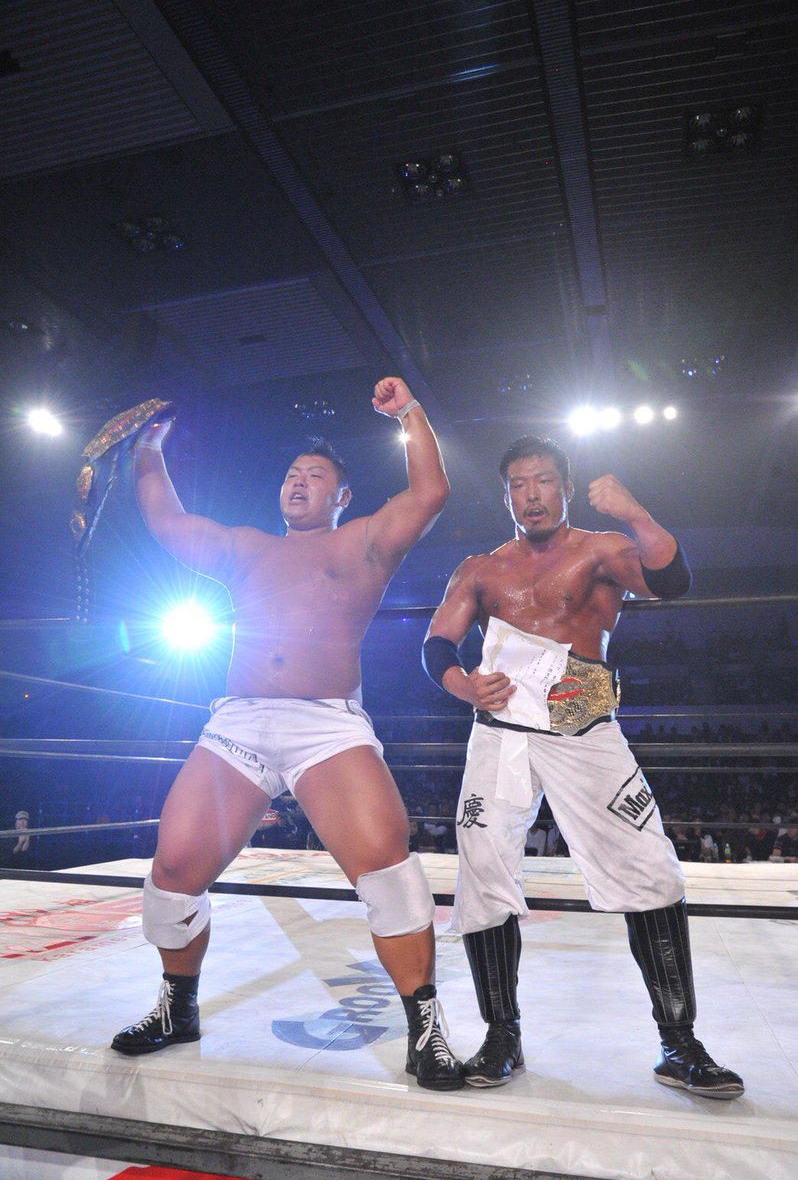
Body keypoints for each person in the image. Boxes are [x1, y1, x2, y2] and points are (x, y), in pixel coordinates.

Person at [110, 376, 465, 1091]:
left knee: (387, 868)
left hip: (324, 724)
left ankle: (426, 1028)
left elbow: (429, 492)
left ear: (342, 495)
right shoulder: (246, 546)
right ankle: (178, 1006)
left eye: (316, 475)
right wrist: (148, 446)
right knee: (173, 871)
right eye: (292, 473)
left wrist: (408, 413)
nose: (299, 481)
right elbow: (167, 520)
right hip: (239, 720)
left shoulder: (364, 542)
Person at [422, 434, 744, 1099]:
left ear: (565, 488)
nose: (531, 495)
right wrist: (463, 685)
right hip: (501, 729)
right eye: (517, 485)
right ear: (506, 496)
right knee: (483, 872)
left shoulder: (601, 549)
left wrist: (635, 512)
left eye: (542, 480)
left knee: (649, 867)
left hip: (583, 721)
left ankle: (679, 1043)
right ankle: (502, 1036)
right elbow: (437, 645)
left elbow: (672, 582)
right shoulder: (481, 568)